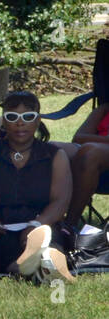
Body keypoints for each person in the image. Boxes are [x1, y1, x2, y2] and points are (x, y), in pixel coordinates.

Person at [0, 91, 74, 283]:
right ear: (3, 121)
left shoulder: (55, 155)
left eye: (28, 117)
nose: (20, 123)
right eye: (12, 117)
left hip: (41, 223)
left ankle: (45, 263)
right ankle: (28, 268)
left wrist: (36, 226)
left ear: (37, 121)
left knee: (50, 241)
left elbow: (60, 201)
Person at [66, 97, 109, 244]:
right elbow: (78, 138)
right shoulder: (104, 109)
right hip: (91, 159)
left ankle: (68, 226)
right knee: (52, 150)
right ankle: (41, 220)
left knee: (90, 152)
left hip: (93, 154)